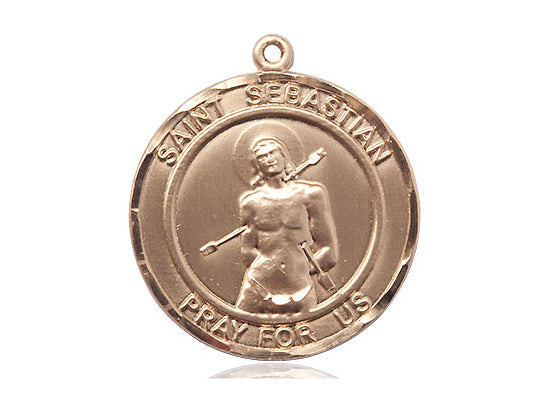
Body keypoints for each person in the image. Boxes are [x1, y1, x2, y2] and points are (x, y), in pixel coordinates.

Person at [235, 137, 338, 313]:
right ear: (257, 165)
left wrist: (297, 272)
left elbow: (329, 251)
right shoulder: (251, 202)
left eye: (272, 153)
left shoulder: (310, 194)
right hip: (257, 287)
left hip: (300, 289)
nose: (269, 159)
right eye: (262, 157)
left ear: (284, 156)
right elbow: (247, 251)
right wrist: (272, 273)